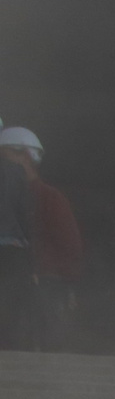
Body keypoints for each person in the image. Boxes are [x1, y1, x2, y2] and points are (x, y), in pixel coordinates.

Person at [0, 129, 83, 349]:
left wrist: (32, 271)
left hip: (42, 296)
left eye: (3, 155)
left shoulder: (49, 198)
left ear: (26, 156)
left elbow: (70, 250)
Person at [0, 127, 41, 351]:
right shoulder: (16, 173)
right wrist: (31, 261)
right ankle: (8, 347)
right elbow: (24, 215)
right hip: (12, 247)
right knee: (10, 303)